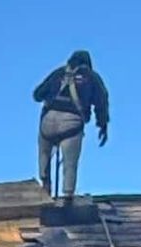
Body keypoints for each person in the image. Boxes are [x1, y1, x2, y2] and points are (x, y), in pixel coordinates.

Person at [33, 51, 110, 201]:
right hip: (71, 123)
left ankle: (45, 184)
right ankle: (67, 197)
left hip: (48, 121)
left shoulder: (58, 73)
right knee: (70, 164)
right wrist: (103, 125)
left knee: (44, 152)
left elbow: (37, 94)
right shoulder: (92, 77)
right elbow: (102, 102)